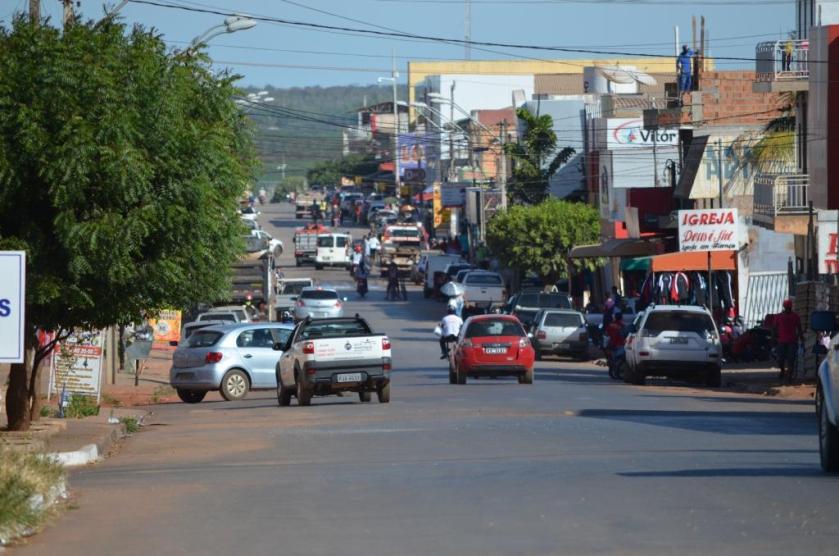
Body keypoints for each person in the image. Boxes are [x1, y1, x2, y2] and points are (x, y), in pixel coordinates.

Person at [774, 299, 804, 378]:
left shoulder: (795, 316)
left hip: (792, 341)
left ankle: (789, 376)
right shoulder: (779, 316)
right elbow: (774, 328)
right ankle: (783, 371)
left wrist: (802, 338)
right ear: (784, 307)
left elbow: (799, 328)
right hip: (782, 341)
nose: (788, 309)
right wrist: (773, 338)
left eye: (789, 307)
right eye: (787, 307)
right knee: (780, 359)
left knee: (791, 359)